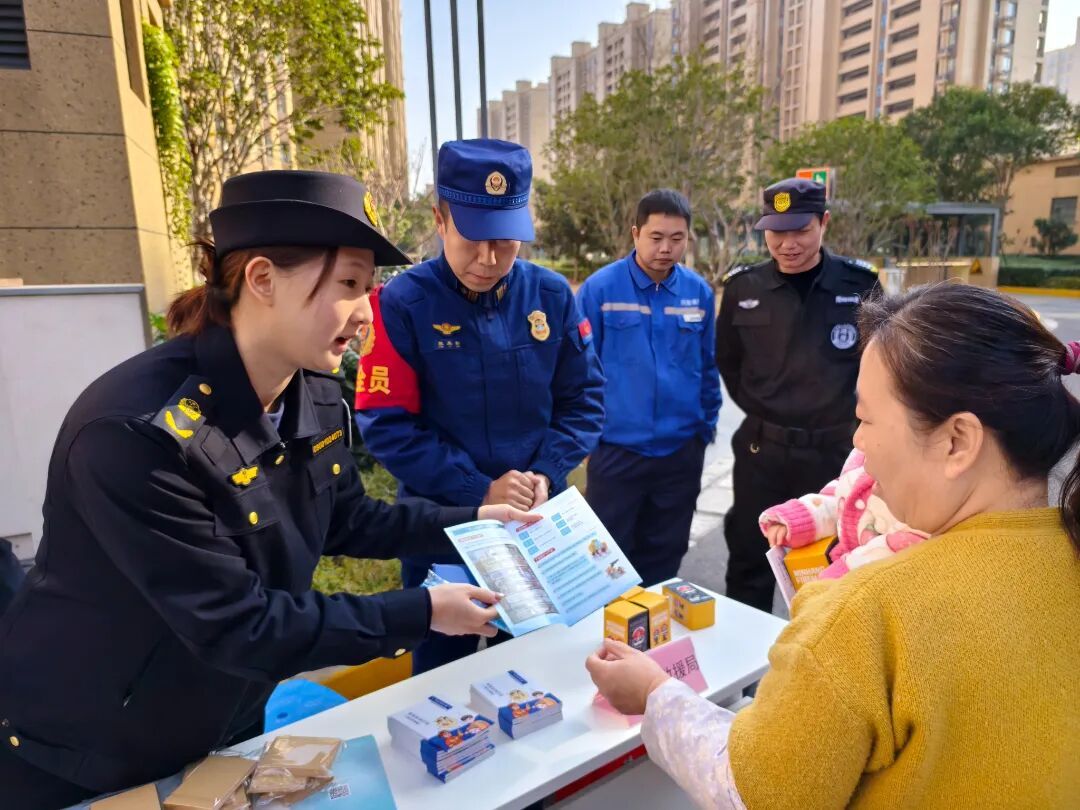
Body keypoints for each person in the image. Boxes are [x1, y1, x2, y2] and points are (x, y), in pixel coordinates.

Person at [0, 170, 534, 810]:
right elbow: (239, 624)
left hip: (224, 714)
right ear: (261, 279)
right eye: (349, 285)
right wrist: (421, 612)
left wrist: (479, 521)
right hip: (89, 745)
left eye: (369, 288)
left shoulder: (311, 391)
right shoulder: (134, 434)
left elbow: (348, 517)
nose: (368, 313)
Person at [588, 283, 1080, 808]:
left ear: (957, 441)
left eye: (865, 419)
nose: (857, 442)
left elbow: (755, 792)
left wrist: (655, 695)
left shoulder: (866, 613)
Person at [355, 139, 605, 673]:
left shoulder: (551, 296)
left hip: (536, 526)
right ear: (439, 219)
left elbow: (584, 400)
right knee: (441, 681)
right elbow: (387, 423)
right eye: (473, 238)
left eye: (505, 241)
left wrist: (545, 471)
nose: (489, 259)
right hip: (444, 529)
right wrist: (479, 489)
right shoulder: (404, 303)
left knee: (540, 673)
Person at [715, 178, 880, 612]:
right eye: (776, 231)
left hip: (833, 455)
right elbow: (729, 362)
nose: (787, 244)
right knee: (749, 560)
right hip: (762, 454)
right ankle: (748, 654)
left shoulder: (860, 285)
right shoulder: (744, 288)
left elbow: (880, 368)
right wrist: (766, 410)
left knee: (832, 564)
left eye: (800, 230)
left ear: (824, 223)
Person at [576, 190, 721, 584]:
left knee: (666, 553)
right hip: (617, 452)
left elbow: (708, 366)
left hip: (680, 453)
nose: (666, 248)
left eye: (677, 238)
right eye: (656, 237)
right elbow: (579, 372)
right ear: (635, 233)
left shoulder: (698, 294)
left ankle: (654, 622)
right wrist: (589, 442)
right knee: (607, 560)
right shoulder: (600, 291)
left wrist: (704, 429)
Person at [759, 446, 928, 579]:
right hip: (844, 583)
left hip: (877, 593)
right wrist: (800, 518)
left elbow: (906, 544)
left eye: (869, 422)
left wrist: (839, 577)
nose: (857, 438)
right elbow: (842, 496)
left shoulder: (925, 483)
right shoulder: (865, 452)